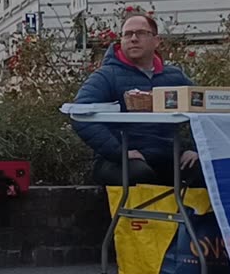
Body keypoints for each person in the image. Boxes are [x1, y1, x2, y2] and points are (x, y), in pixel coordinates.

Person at [72, 13, 203, 186]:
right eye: (128, 34)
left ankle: (194, 214)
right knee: (140, 176)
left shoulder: (175, 76)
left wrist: (195, 149)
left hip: (169, 156)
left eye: (140, 33)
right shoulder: (106, 76)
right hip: (120, 161)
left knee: (207, 170)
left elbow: (202, 110)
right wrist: (119, 152)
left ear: (156, 41)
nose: (133, 39)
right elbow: (80, 115)